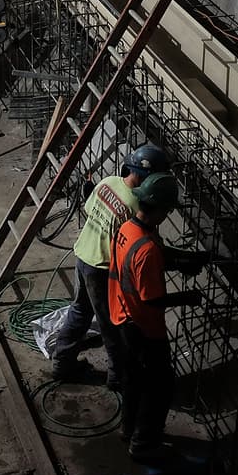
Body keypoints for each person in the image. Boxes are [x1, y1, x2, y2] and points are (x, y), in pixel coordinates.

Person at [50, 144, 171, 390]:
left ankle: (62, 364)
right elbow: (135, 243)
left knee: (80, 310)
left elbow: (88, 208)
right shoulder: (135, 205)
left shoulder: (107, 182)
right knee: (112, 326)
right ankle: (118, 379)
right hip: (102, 268)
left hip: (84, 253)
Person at [107, 171, 203, 460]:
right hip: (143, 328)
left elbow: (144, 262)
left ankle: (128, 429)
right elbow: (153, 299)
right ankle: (144, 443)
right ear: (160, 210)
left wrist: (183, 260)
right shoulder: (148, 250)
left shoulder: (128, 229)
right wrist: (187, 298)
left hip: (121, 317)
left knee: (133, 380)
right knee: (159, 386)